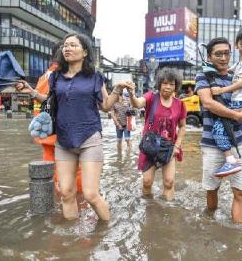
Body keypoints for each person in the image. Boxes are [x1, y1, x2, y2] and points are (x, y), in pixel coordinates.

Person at [16, 33, 132, 221]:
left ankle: (105, 232)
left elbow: (105, 106)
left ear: (85, 52)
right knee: (67, 193)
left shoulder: (95, 77)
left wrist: (117, 90)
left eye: (72, 45)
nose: (67, 48)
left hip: (90, 139)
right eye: (65, 45)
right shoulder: (55, 77)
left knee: (91, 195)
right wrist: (32, 92)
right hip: (63, 141)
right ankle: (72, 241)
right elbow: (52, 102)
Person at [15, 41, 83, 194]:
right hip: (64, 134)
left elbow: (44, 102)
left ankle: (53, 206)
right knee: (75, 173)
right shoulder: (66, 75)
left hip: (46, 134)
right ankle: (79, 207)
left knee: (50, 172)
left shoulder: (43, 77)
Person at [194, 37, 242, 223]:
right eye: (218, 54)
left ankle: (238, 237)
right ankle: (210, 221)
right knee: (212, 189)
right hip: (212, 143)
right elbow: (208, 103)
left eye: (227, 53)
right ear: (210, 57)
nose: (223, 58)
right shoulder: (203, 77)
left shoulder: (238, 77)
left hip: (238, 140)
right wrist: (235, 115)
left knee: (241, 192)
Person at [209, 27, 242, 176]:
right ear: (237, 44)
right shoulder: (239, 64)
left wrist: (221, 91)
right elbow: (226, 70)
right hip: (241, 102)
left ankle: (230, 161)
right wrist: (209, 68)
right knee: (239, 129)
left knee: (218, 129)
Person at [127, 67, 187, 201]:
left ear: (176, 86)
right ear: (159, 84)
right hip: (150, 146)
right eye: (165, 83)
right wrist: (131, 94)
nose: (168, 87)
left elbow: (182, 127)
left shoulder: (180, 104)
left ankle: (167, 210)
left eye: (172, 84)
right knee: (147, 182)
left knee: (169, 182)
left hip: (169, 147)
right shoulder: (151, 97)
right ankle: (149, 206)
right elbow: (137, 104)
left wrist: (177, 146)